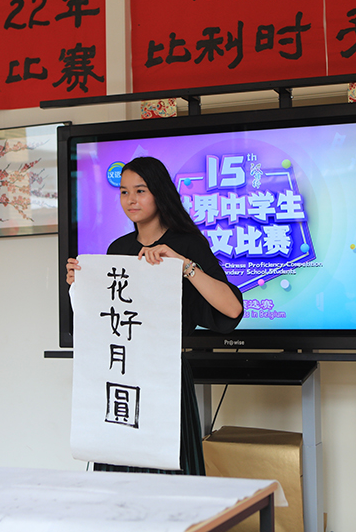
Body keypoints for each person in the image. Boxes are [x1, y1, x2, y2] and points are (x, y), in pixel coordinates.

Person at [66, 156, 244, 475]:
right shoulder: (118, 248)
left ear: (159, 193)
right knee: (119, 471)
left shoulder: (187, 244)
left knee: (169, 471)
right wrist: (82, 284)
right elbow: (103, 321)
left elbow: (231, 309)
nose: (130, 200)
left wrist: (184, 265)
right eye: (124, 192)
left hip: (165, 374)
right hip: (123, 372)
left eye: (140, 190)